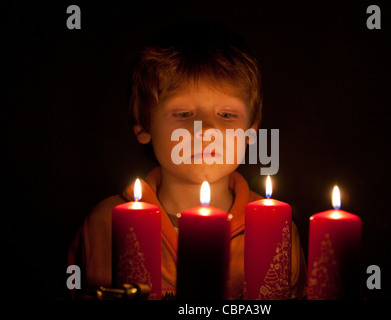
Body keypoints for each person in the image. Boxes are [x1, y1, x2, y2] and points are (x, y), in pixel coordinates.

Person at [67, 20, 307, 299]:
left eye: (227, 115)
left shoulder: (277, 228)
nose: (206, 130)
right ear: (144, 125)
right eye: (183, 114)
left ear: (251, 130)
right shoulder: (104, 224)